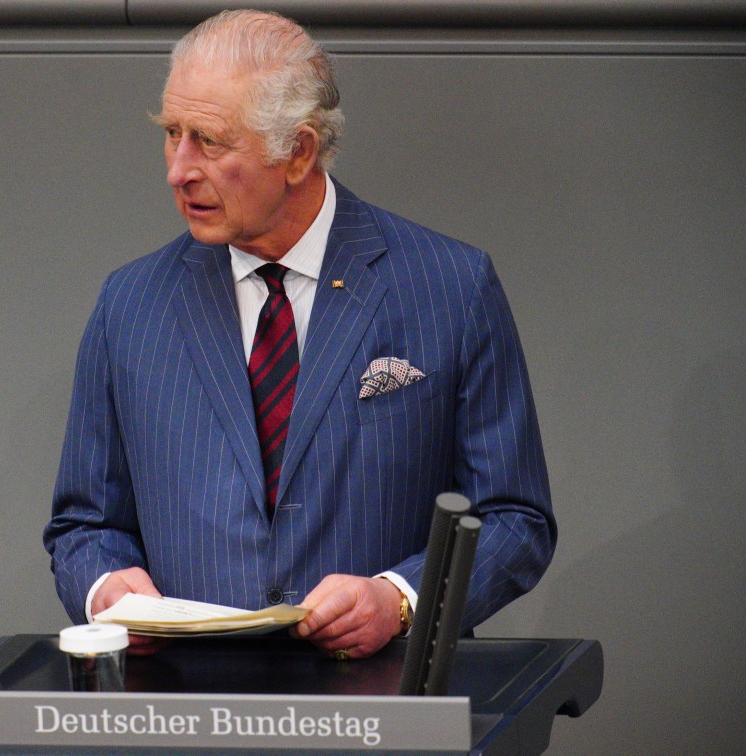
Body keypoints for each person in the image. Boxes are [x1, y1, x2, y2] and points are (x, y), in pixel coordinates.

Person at [44, 9, 555, 660]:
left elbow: (517, 519)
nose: (179, 169)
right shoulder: (131, 305)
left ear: (299, 151)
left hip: (378, 708)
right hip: (188, 710)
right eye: (172, 133)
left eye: (210, 141)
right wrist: (106, 588)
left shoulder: (450, 286)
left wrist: (400, 598)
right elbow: (84, 525)